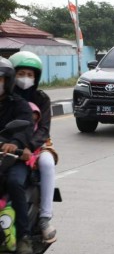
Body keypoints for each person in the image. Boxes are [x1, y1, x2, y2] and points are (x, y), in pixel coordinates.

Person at [9, 51, 57, 243]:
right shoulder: (6, 97)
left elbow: (44, 129)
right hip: (9, 144)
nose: (25, 79)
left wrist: (27, 147)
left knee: (46, 164)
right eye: (21, 74)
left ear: (36, 77)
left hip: (37, 145)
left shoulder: (41, 99)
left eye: (30, 75)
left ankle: (45, 219)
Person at [0, 57, 34, 254]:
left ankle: (24, 236)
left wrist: (16, 143)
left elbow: (25, 127)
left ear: (8, 80)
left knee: (14, 182)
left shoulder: (19, 104)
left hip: (14, 158)